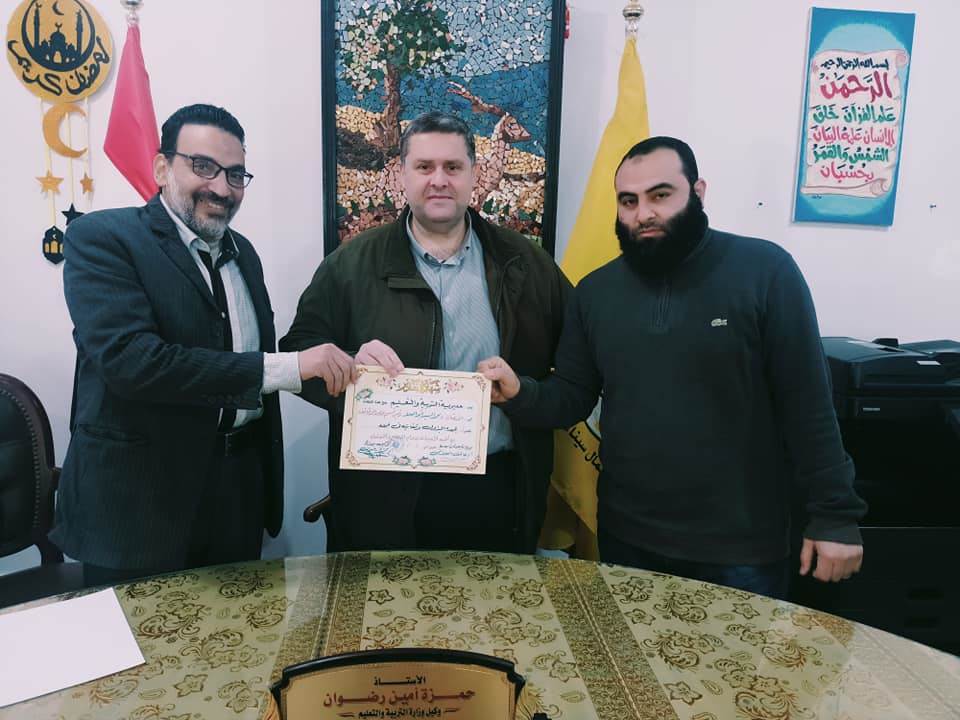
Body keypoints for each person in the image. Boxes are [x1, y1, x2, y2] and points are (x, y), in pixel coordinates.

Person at [479, 136, 866, 598]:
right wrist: (519, 392)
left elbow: (808, 405)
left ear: (697, 192)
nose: (643, 213)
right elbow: (573, 396)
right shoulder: (595, 292)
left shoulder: (766, 272)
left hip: (742, 549)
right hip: (627, 539)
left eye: (660, 195)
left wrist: (834, 516)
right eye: (628, 201)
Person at [55, 104, 353, 587]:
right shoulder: (103, 238)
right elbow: (132, 362)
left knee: (238, 631)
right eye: (203, 166)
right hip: (140, 504)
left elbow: (247, 354)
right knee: (142, 637)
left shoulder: (243, 253)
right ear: (162, 168)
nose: (221, 187)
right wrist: (291, 366)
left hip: (237, 492)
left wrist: (353, 368)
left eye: (235, 174)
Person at [280, 111, 570, 553]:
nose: (439, 180)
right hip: (383, 499)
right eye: (424, 167)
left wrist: (524, 394)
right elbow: (299, 355)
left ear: (474, 174)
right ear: (402, 174)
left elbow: (575, 376)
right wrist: (352, 369)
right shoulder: (349, 265)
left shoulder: (528, 265)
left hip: (498, 493)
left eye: (452, 167)